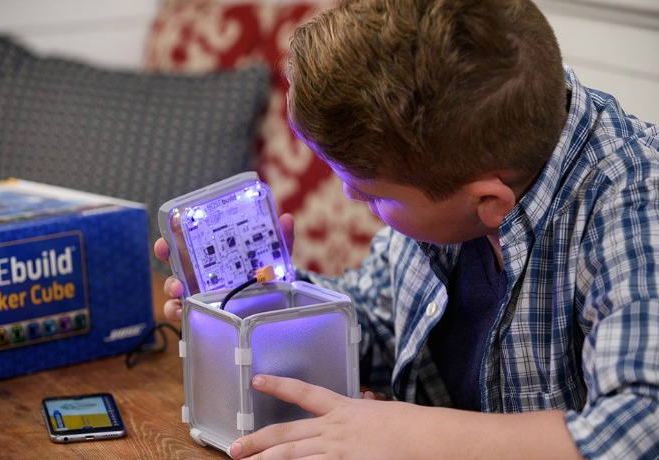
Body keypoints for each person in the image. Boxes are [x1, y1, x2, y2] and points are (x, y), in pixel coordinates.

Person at [155, 0, 659, 458]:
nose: (353, 198)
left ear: (489, 202)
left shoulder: (634, 200)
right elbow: (375, 324)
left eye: (375, 195)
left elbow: (640, 425)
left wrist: (406, 434)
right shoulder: (452, 154)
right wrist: (265, 304)